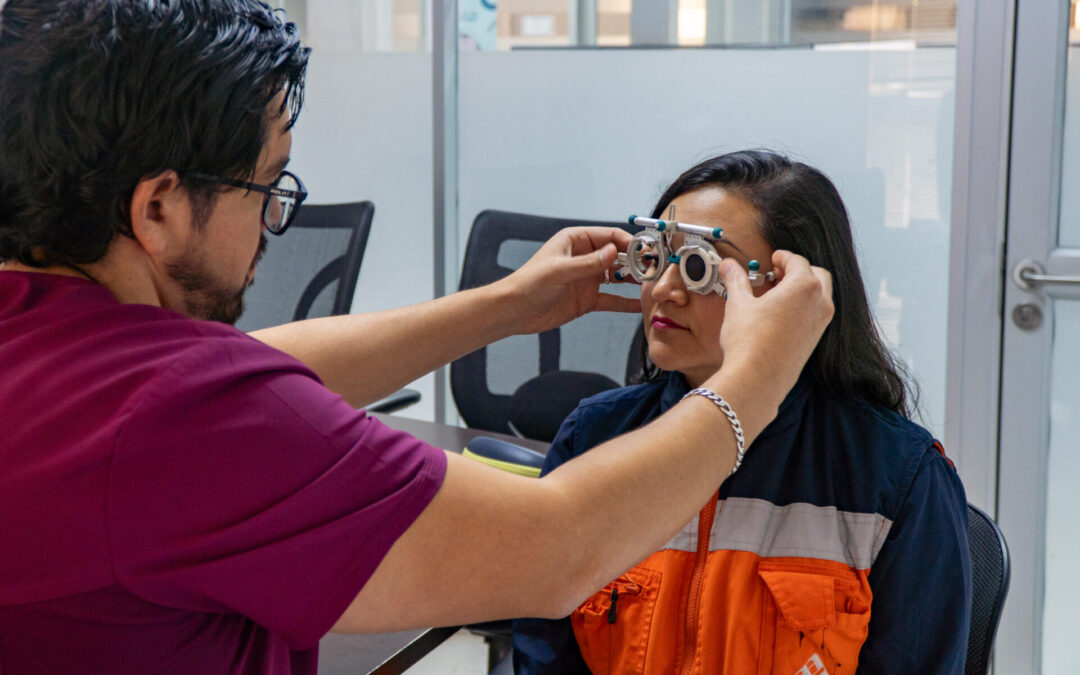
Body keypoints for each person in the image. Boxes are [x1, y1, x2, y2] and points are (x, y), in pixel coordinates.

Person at [0, 3, 834, 673]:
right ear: (158, 208)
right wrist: (758, 375)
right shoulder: (172, 420)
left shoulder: (61, 353)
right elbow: (559, 547)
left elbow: (255, 374)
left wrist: (506, 306)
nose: (273, 226)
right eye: (268, 186)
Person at [513, 151, 971, 675]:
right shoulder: (592, 436)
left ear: (793, 292)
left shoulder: (898, 478)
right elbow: (543, 652)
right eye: (656, 257)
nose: (664, 289)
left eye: (700, 267)